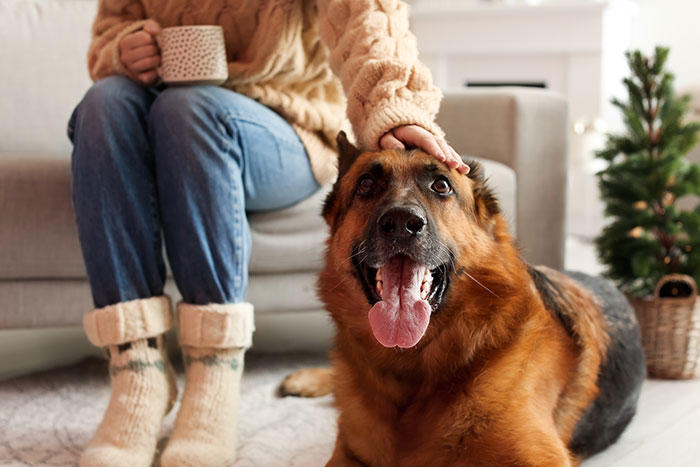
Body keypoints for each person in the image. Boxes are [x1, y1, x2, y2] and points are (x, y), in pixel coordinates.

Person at [68, 1, 469, 466]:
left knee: (189, 107)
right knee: (103, 102)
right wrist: (122, 48)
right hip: (156, 113)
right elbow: (112, 27)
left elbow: (366, 16)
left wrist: (393, 104)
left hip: (283, 125)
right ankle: (137, 372)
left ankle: (213, 372)